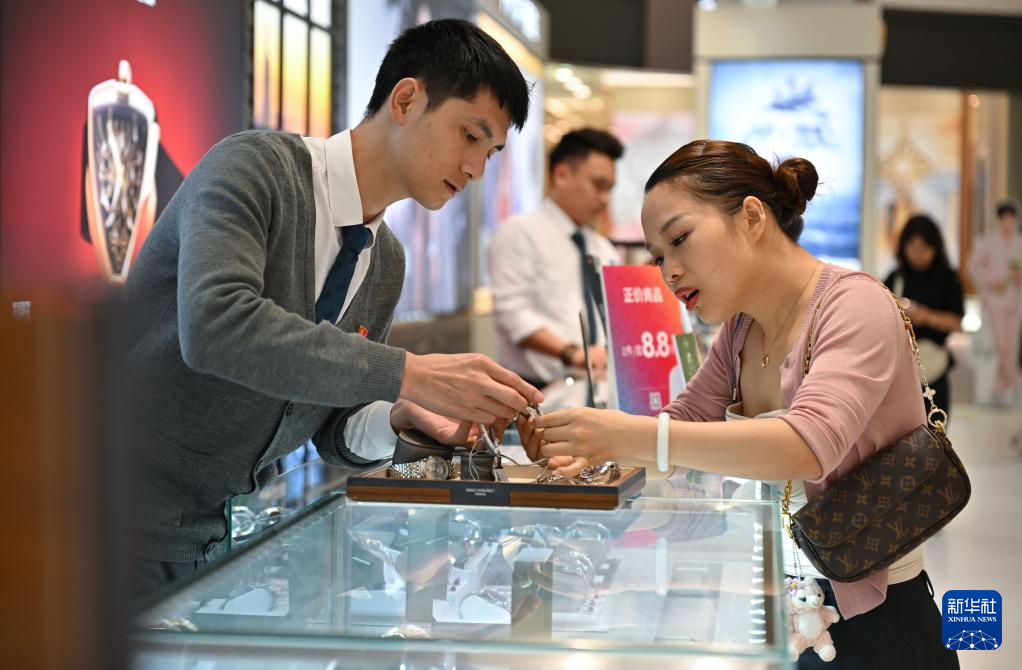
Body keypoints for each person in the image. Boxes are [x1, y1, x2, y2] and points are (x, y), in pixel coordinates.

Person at [125, 19, 543, 595]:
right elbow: (217, 325)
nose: (476, 169)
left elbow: (330, 428)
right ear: (405, 100)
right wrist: (411, 373)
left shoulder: (386, 260)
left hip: (221, 541)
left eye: (491, 153)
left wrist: (401, 414)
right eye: (470, 136)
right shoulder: (253, 169)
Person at [520, 140, 959, 668]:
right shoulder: (741, 330)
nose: (669, 272)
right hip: (787, 603)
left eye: (680, 240)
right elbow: (681, 424)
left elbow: (807, 445)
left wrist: (629, 436)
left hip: (880, 619)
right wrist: (583, 451)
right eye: (658, 256)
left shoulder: (855, 304)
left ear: (752, 217)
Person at [490, 128, 624, 388]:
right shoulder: (520, 232)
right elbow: (512, 313)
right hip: (536, 390)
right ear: (561, 175)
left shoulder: (603, 248)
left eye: (610, 188)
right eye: (598, 185)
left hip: (598, 387)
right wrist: (572, 353)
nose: (604, 198)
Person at [883, 215, 964, 420]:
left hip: (934, 367)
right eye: (912, 247)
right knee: (900, 429)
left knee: (935, 427)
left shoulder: (948, 278)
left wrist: (926, 317)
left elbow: (957, 322)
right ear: (903, 247)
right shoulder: (895, 278)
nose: (917, 254)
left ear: (935, 248)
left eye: (924, 248)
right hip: (901, 369)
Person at [969, 199, 1022, 405]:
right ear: (999, 219)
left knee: (1011, 345)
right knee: (1001, 345)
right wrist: (991, 281)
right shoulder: (988, 242)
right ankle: (1015, 382)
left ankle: (1000, 389)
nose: (1008, 222)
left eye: (1011, 217)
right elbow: (973, 267)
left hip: (1015, 299)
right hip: (995, 299)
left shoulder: (1019, 242)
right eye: (1004, 217)